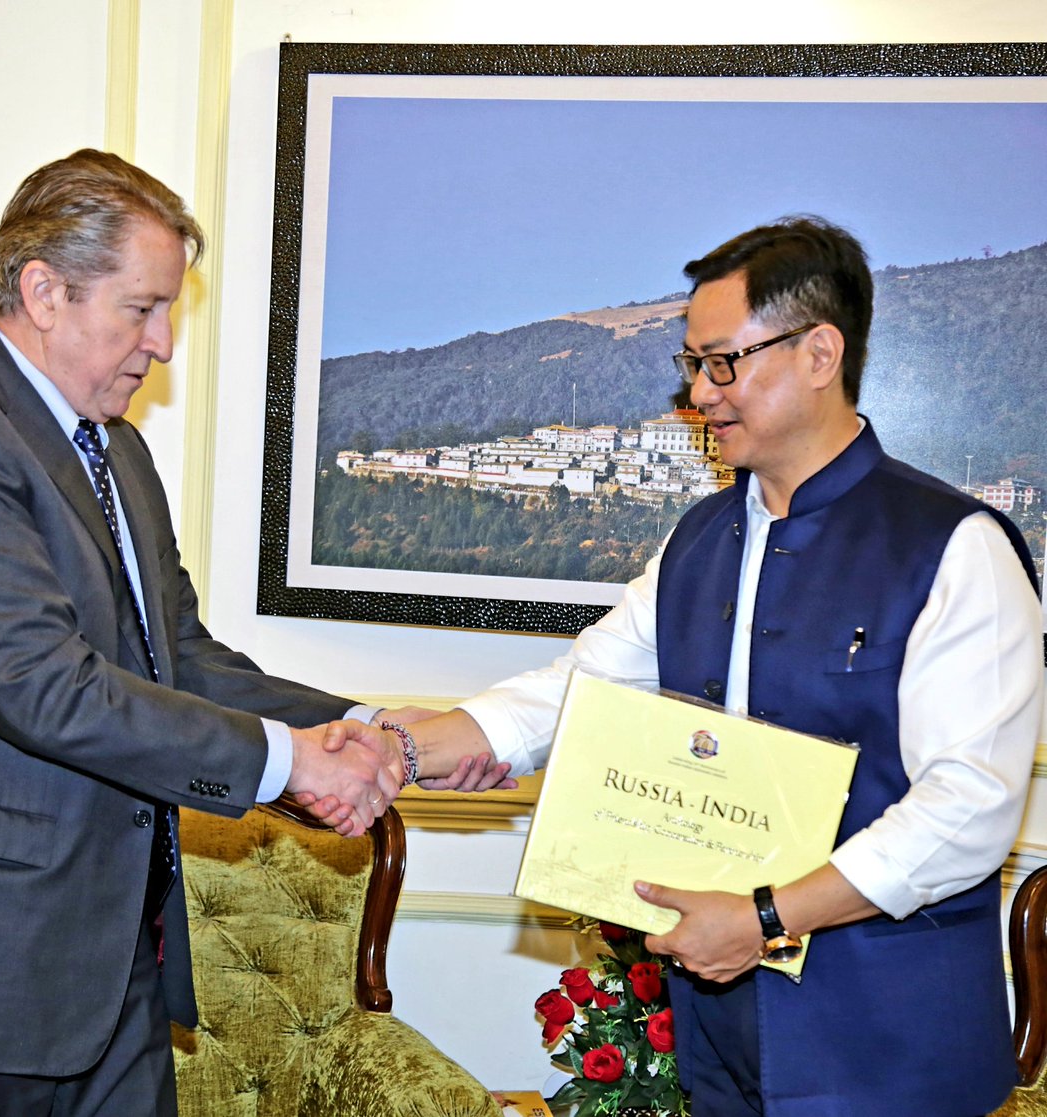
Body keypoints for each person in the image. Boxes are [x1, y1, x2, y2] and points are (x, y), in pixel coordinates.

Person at [0, 148, 507, 1117]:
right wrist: (293, 762)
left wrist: (365, 725)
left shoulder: (116, 449)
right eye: (142, 308)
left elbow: (178, 658)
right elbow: (43, 688)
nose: (161, 343)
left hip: (115, 965)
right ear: (44, 291)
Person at [360, 216, 1044, 1116]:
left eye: (723, 363)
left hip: (890, 1050)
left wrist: (767, 916)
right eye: (692, 364)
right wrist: (415, 744)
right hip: (721, 1042)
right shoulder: (698, 538)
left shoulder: (956, 546)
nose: (698, 394)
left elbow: (969, 808)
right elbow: (587, 687)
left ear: (820, 353)